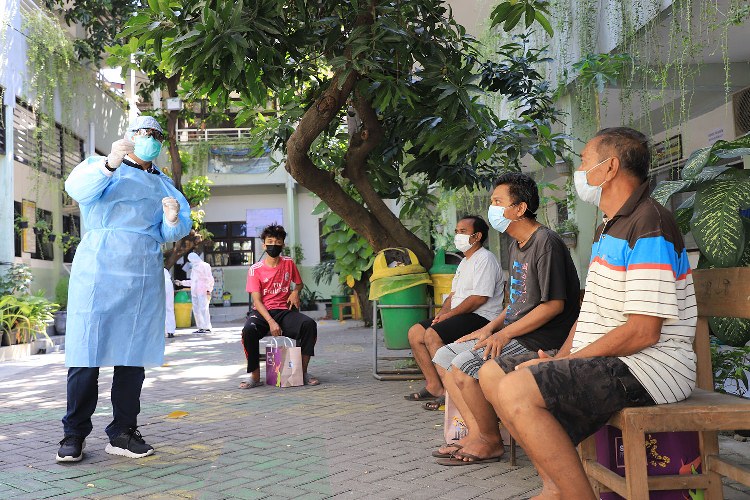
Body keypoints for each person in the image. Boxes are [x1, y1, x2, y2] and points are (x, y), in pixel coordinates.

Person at [479, 128, 697, 498]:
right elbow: (589, 314)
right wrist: (560, 359)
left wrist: (566, 362)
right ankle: (556, 487)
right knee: (491, 372)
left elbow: (644, 332)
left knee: (517, 388)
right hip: (613, 360)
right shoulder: (608, 227)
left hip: (652, 367)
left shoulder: (649, 224)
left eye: (583, 162)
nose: (579, 172)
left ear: (609, 167)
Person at [57, 116, 192, 463]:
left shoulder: (164, 185)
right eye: (145, 133)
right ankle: (74, 434)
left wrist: (172, 220)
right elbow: (77, 190)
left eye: (157, 135)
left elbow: (172, 231)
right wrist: (108, 165)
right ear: (130, 136)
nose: (151, 139)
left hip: (140, 273)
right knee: (86, 354)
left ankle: (122, 432)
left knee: (132, 356)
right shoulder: (103, 166)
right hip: (98, 269)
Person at [430, 172, 581, 465]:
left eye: (498, 202)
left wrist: (505, 334)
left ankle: (490, 441)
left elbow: (553, 306)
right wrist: (488, 329)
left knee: (464, 365)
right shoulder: (516, 245)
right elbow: (516, 303)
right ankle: (476, 433)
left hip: (542, 338)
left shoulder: (545, 243)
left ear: (520, 208)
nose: (492, 208)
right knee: (444, 356)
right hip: (516, 331)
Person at [404, 216, 504, 405]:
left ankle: (451, 394)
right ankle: (434, 386)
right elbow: (452, 295)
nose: (458, 235)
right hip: (462, 314)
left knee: (432, 335)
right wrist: (442, 314)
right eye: (457, 231)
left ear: (477, 236)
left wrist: (449, 316)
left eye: (463, 232)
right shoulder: (464, 262)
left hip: (482, 317)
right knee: (415, 333)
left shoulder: (485, 259)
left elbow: (479, 298)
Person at [240, 224, 319, 388]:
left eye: (277, 242)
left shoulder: (288, 263)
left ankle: (302, 373)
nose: (273, 245)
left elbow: (299, 284)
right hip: (262, 313)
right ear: (264, 245)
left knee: (309, 325)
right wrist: (271, 322)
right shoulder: (255, 269)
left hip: (284, 311)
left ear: (283, 245)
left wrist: (295, 291)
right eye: (269, 241)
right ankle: (255, 377)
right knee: (248, 331)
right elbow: (257, 301)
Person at [177, 252, 214, 333]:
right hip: (195, 292)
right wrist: (181, 283)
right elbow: (192, 282)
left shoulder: (204, 265)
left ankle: (207, 327)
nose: (190, 261)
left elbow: (210, 279)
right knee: (196, 310)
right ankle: (200, 327)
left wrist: (209, 289)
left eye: (191, 259)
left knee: (204, 309)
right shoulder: (194, 268)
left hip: (203, 291)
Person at [164, 268, 176, 338]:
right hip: (169, 287)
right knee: (170, 309)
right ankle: (171, 331)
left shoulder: (157, 270)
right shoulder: (165, 271)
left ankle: (166, 331)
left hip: (162, 286)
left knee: (163, 310)